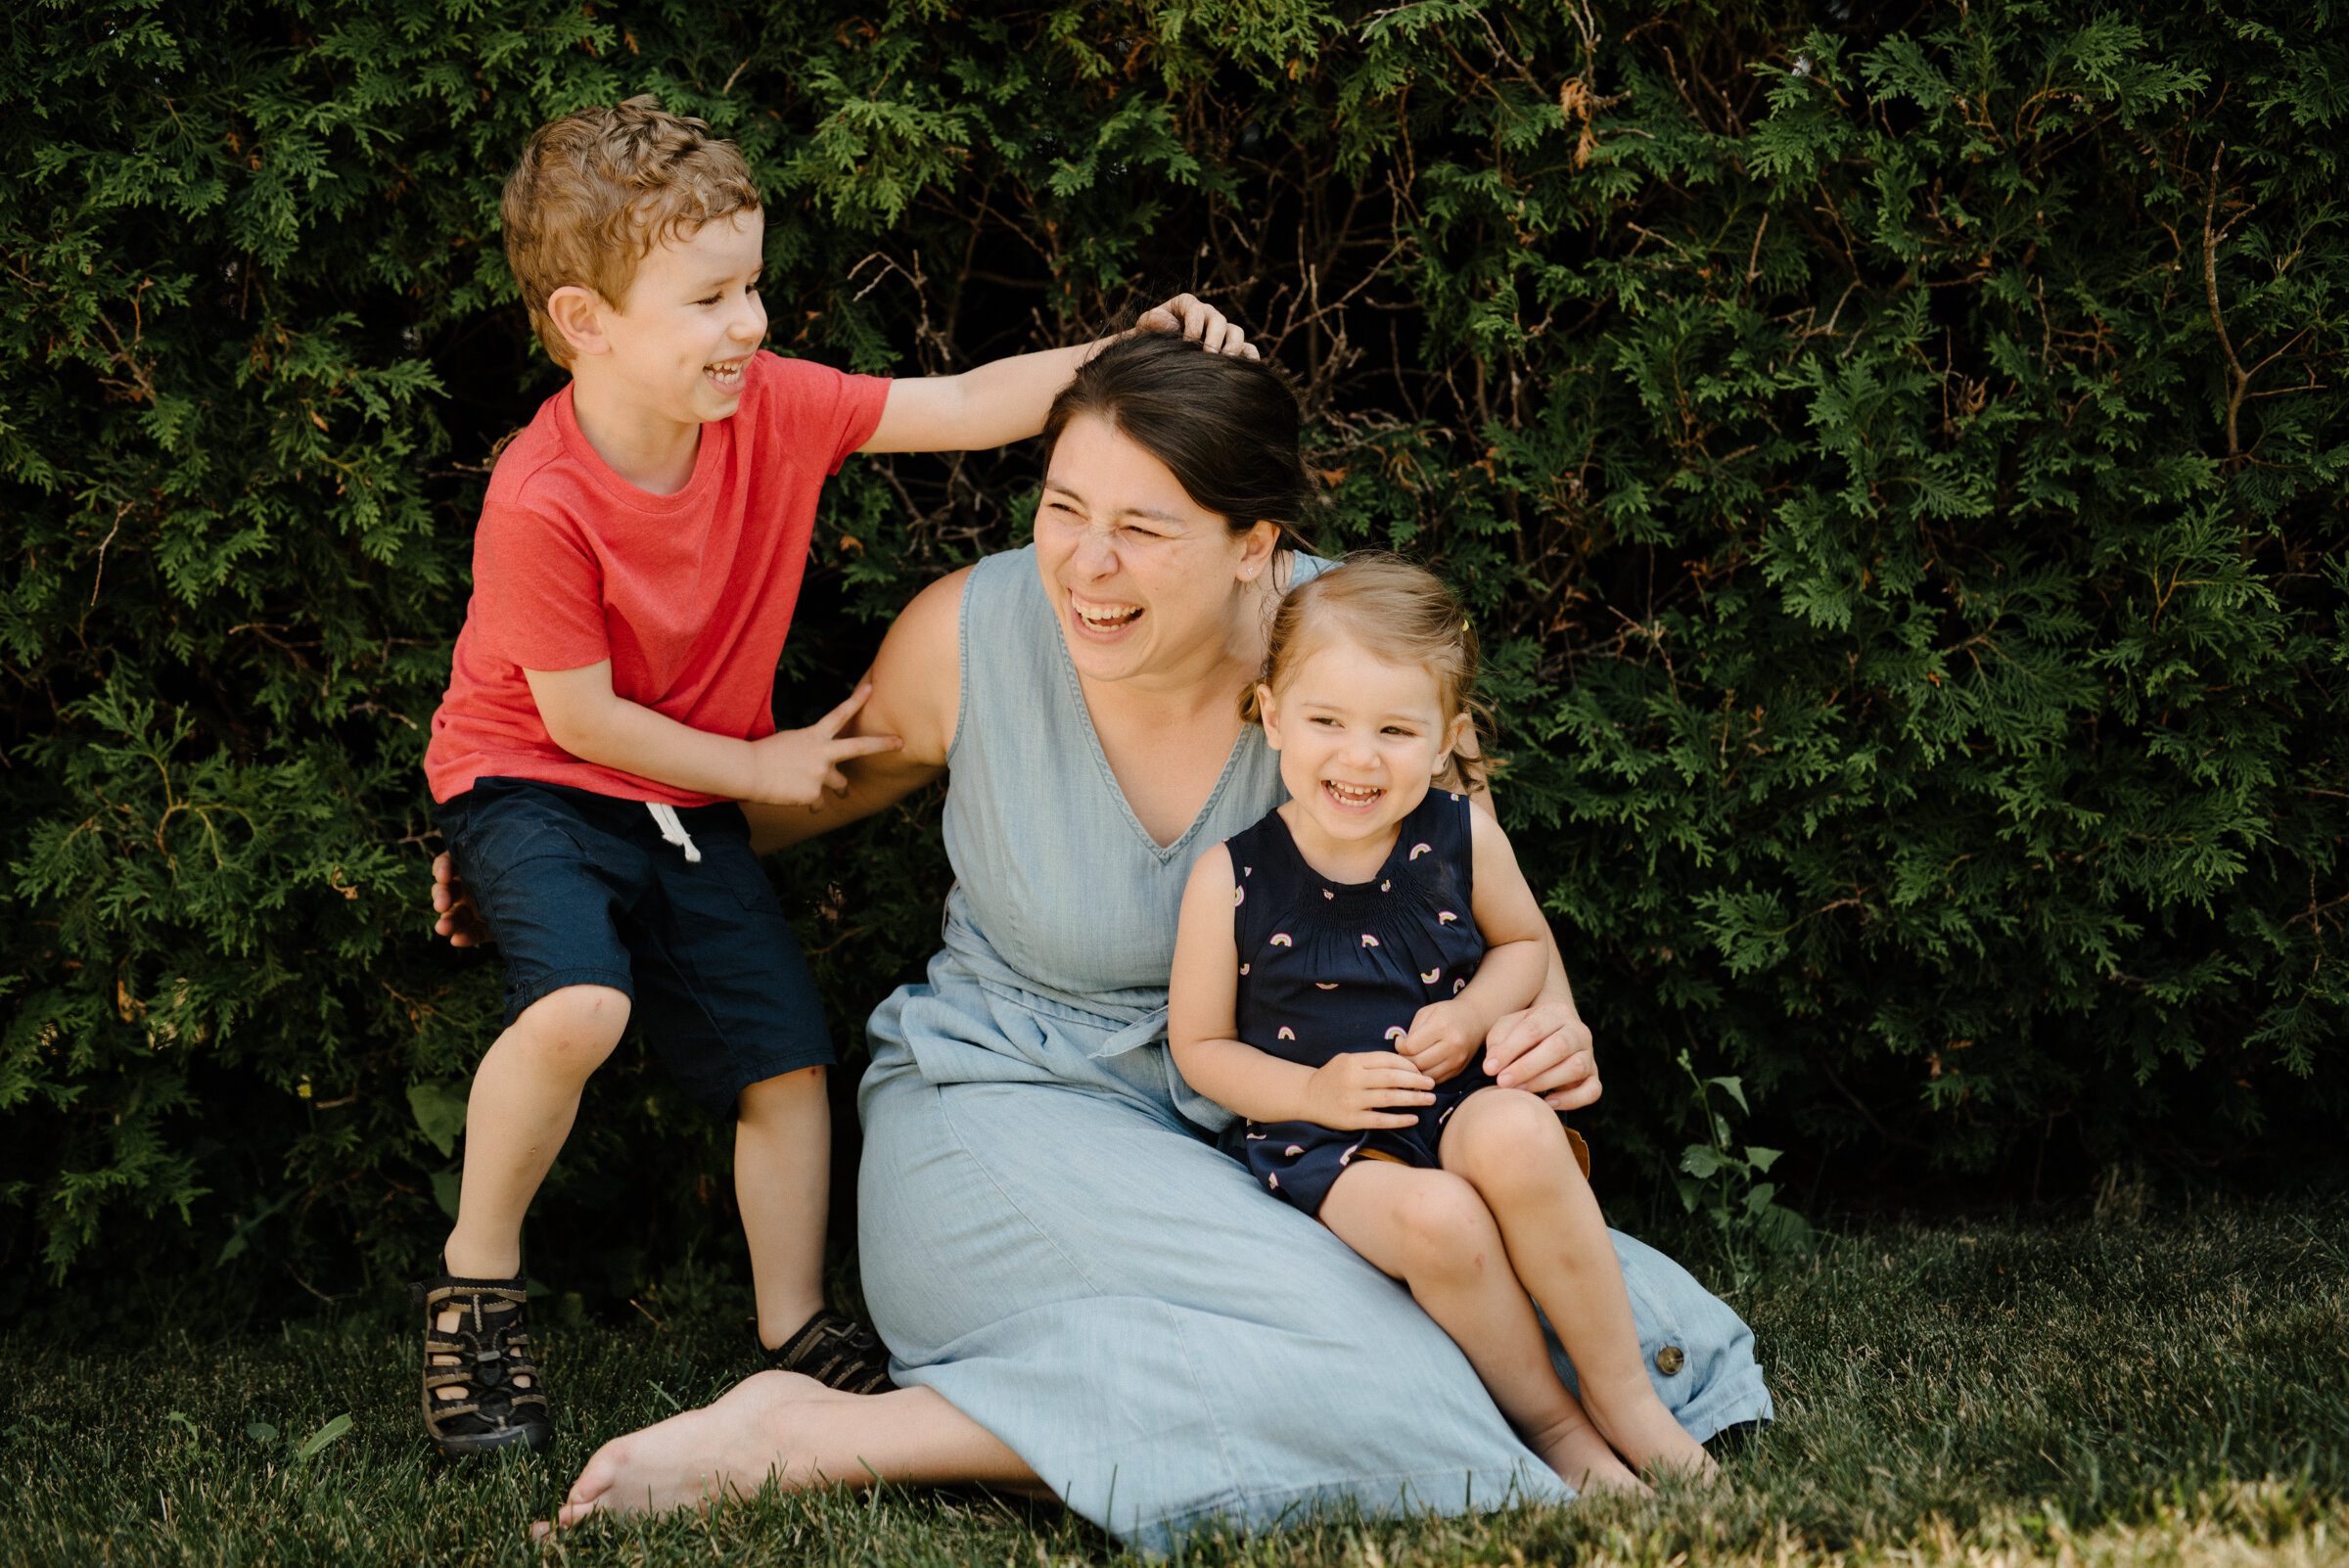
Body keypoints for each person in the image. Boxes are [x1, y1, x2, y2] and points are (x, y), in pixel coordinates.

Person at [438, 333, 1771, 1546]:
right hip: (1003, 1105)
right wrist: (551, 850)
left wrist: (1547, 1022)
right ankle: (819, 1434)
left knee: (1554, 1316)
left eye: (1143, 527)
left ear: (1255, 542)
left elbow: (1492, 912)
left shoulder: (1355, 669)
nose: (1084, 563)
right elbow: (803, 787)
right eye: (1063, 508)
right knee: (1395, 1367)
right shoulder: (974, 632)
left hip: (1278, 1124)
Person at [416, 93, 1254, 1456]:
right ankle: (476, 1287)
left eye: (753, 284)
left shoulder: (771, 407)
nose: (748, 323)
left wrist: (1124, 349)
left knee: (787, 1060)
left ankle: (794, 1332)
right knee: (579, 1002)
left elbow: (972, 402)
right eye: (708, 297)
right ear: (588, 322)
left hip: (685, 791)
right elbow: (579, 720)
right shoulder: (541, 498)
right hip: (541, 775)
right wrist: (758, 761)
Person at [1166, 554, 1716, 1497]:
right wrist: (1311, 1091)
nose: (1358, 756)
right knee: (1440, 1217)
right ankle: (1553, 1425)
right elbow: (1200, 1047)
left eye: (1395, 729)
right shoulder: (1233, 876)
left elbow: (1522, 950)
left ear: (1445, 737)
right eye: (1326, 721)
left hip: (1455, 1093)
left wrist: (1469, 1017)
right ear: (1269, 715)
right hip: (1327, 1140)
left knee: (1517, 1132)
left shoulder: (1462, 837)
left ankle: (1628, 1400)